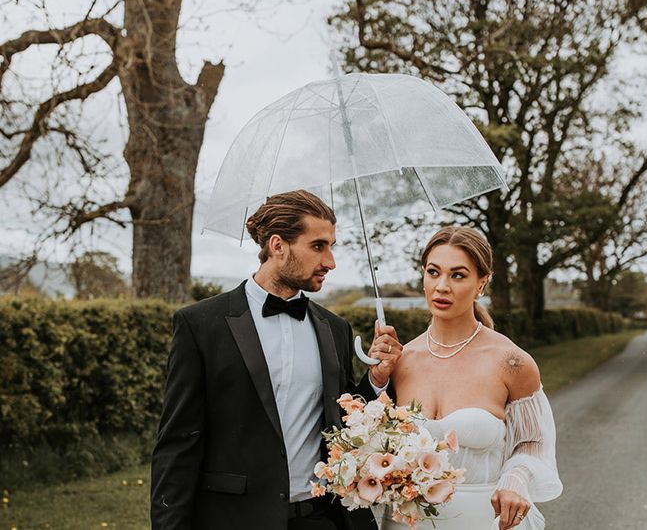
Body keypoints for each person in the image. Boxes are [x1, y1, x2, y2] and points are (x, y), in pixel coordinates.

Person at [151, 190, 402, 530]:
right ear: (278, 246)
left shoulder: (335, 328)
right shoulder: (200, 325)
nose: (330, 261)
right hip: (233, 520)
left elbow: (346, 422)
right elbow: (179, 443)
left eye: (331, 246)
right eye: (318, 246)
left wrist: (376, 380)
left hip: (320, 518)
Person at [378, 226, 562, 530]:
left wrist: (516, 477)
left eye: (458, 275)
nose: (442, 286)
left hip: (479, 520)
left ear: (482, 283)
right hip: (404, 522)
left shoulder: (511, 361)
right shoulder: (399, 362)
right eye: (433, 272)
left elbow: (532, 442)